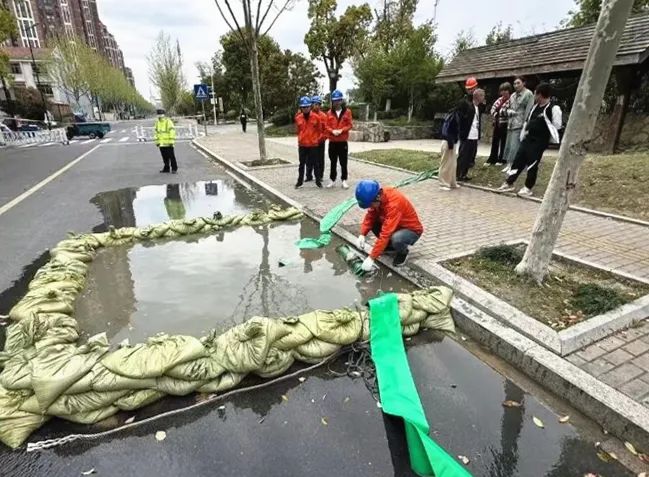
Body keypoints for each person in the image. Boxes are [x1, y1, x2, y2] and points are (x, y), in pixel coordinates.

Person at [497, 83, 562, 197]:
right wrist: (524, 133)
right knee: (518, 160)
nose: (534, 96)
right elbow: (528, 121)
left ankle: (528, 187)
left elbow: (557, 125)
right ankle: (509, 182)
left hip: (539, 142)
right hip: (528, 139)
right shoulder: (535, 107)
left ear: (540, 94)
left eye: (536, 94)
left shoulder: (553, 108)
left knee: (532, 163)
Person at [355, 180, 423, 269]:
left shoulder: (394, 204)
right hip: (396, 226)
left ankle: (403, 253)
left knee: (397, 238)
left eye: (371, 205)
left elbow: (386, 233)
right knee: (374, 222)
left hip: (411, 230)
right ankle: (389, 247)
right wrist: (362, 234)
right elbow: (370, 217)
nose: (370, 207)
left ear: (377, 198)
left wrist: (371, 258)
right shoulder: (378, 197)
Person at [502, 76, 534, 172]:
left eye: (518, 83)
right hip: (511, 123)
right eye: (514, 83)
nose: (516, 85)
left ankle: (514, 165)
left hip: (520, 123)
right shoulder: (512, 95)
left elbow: (529, 110)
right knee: (509, 145)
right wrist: (508, 111)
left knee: (515, 146)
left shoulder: (528, 94)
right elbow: (508, 107)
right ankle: (509, 163)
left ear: (524, 83)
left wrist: (525, 124)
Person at [325, 89, 353, 189]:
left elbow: (350, 125)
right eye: (335, 100)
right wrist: (332, 131)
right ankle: (332, 180)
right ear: (332, 101)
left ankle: (344, 180)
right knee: (333, 162)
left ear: (341, 100)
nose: (336, 102)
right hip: (333, 141)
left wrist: (342, 130)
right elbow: (326, 126)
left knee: (343, 162)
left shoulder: (347, 112)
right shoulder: (329, 113)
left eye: (338, 100)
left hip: (342, 141)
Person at [456, 88, 486, 182]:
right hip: (467, 135)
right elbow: (462, 119)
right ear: (478, 96)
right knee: (463, 156)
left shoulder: (478, 107)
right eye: (482, 95)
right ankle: (458, 174)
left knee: (470, 156)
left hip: (474, 135)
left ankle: (464, 174)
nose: (484, 98)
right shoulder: (469, 106)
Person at [294, 96, 322, 189]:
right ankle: (299, 181)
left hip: (313, 145)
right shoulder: (298, 118)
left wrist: (316, 139)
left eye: (307, 107)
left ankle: (318, 181)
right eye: (303, 107)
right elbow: (298, 130)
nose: (305, 109)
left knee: (316, 164)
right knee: (301, 164)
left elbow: (319, 130)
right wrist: (301, 138)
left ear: (310, 107)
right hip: (302, 145)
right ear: (301, 108)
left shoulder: (316, 117)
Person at [485, 82, 512, 166]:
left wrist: (500, 112)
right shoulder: (499, 100)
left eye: (505, 90)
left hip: (506, 124)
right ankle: (492, 158)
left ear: (509, 91)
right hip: (497, 123)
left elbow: (508, 111)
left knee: (504, 142)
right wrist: (497, 114)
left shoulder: (511, 100)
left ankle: (502, 159)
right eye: (502, 90)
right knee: (495, 141)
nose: (503, 92)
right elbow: (492, 109)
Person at [438, 107, 460, 190]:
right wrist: (450, 143)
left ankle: (452, 182)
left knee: (453, 164)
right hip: (448, 142)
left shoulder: (455, 116)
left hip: (452, 142)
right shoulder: (452, 117)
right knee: (446, 164)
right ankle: (443, 183)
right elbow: (447, 131)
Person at [306, 95, 327, 183]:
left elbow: (326, 129)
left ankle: (320, 176)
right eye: (315, 104)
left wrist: (322, 138)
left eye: (319, 104)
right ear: (312, 105)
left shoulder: (323, 116)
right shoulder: (308, 115)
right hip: (310, 141)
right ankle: (309, 176)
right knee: (309, 159)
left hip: (320, 141)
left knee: (320, 159)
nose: (317, 106)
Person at [154, 109, 177, 174]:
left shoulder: (168, 121)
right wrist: (157, 142)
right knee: (164, 157)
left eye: (161, 114)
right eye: (158, 114)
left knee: (171, 156)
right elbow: (156, 133)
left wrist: (171, 141)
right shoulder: (157, 122)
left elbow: (172, 131)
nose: (159, 115)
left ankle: (174, 168)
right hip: (161, 143)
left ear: (164, 114)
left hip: (168, 143)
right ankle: (166, 168)